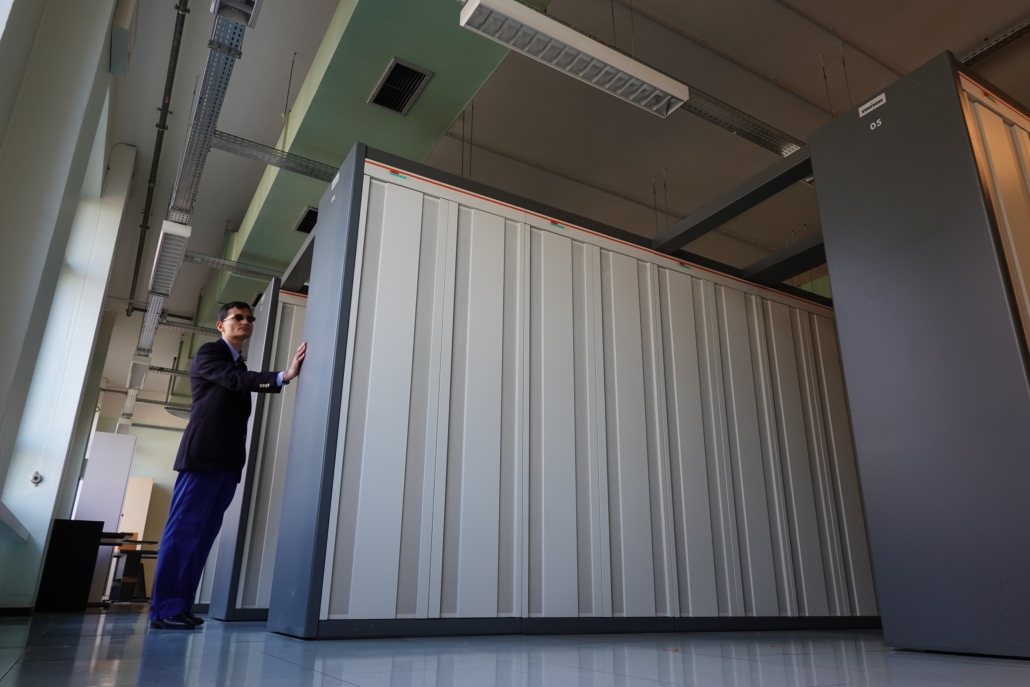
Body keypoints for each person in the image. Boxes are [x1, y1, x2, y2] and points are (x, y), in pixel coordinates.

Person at [149, 301, 306, 630]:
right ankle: (163, 610)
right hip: (202, 458)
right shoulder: (210, 353)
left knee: (203, 536)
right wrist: (284, 376)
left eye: (249, 318)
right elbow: (235, 380)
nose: (245, 321)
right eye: (238, 317)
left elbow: (238, 383)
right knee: (182, 532)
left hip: (227, 462)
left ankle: (181, 607)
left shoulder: (238, 363)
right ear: (221, 325)